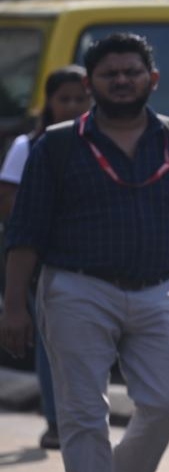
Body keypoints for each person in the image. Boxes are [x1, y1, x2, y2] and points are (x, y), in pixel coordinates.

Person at [0, 32, 169, 472]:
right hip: (76, 289)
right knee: (83, 413)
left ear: (153, 80)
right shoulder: (57, 144)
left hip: (158, 291)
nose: (121, 81)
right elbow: (25, 232)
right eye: (109, 74)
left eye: (131, 72)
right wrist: (13, 305)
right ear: (91, 83)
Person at [0, 65, 92, 450]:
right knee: (53, 341)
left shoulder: (105, 142)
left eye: (79, 99)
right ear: (49, 103)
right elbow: (10, 203)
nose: (72, 106)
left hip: (96, 260)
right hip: (46, 260)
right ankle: (56, 420)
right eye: (64, 99)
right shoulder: (30, 146)